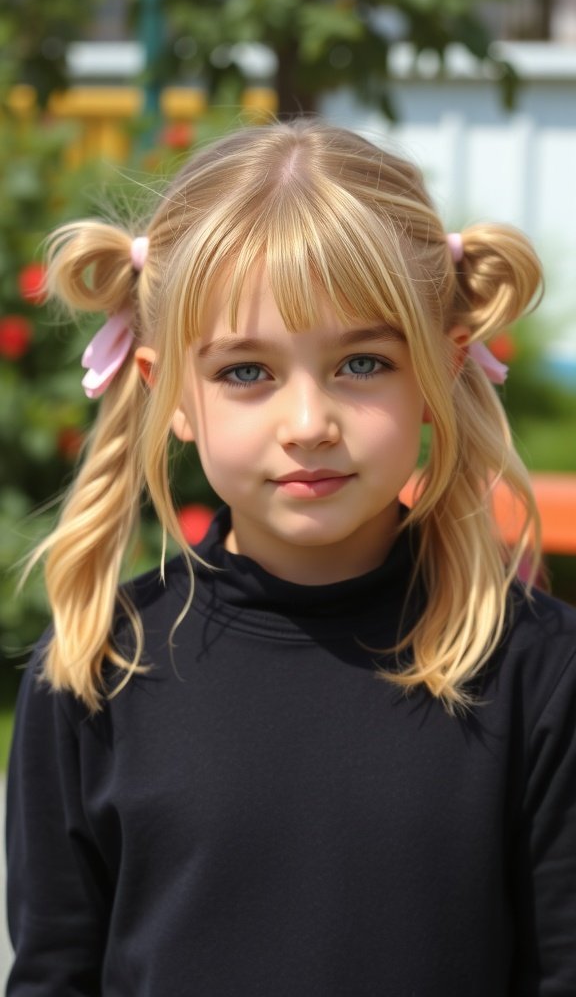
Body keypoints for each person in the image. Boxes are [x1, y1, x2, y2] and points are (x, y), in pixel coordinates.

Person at [5, 119, 576, 996]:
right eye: (246, 372)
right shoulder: (93, 669)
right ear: (169, 394)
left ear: (438, 370)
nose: (309, 422)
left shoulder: (541, 671)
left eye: (360, 362)